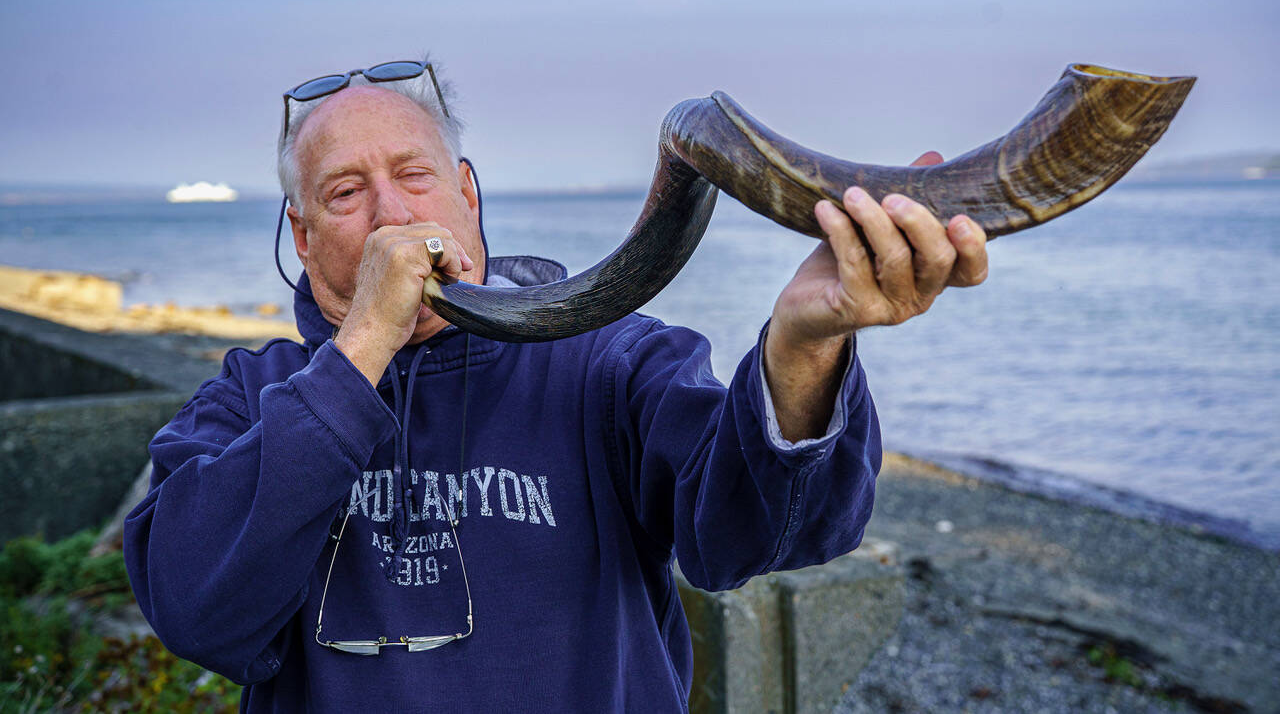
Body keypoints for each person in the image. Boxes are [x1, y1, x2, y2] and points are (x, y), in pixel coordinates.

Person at [124, 57, 987, 712]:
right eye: (346, 191)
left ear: (466, 194)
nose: (393, 213)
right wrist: (361, 354)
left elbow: (752, 534)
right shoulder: (247, 400)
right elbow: (199, 609)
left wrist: (804, 344)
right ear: (302, 238)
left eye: (414, 174)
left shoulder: (604, 362)